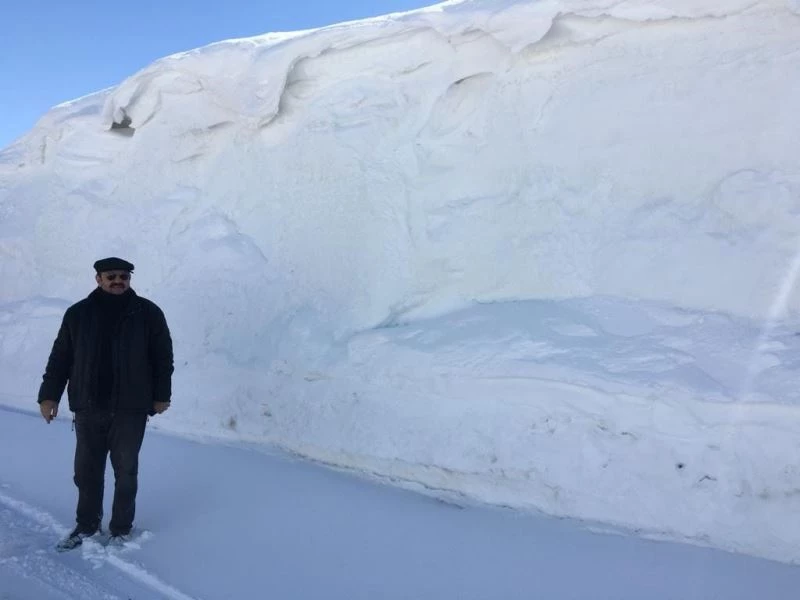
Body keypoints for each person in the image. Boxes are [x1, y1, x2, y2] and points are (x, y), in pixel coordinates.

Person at [38, 257, 174, 551]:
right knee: (86, 471)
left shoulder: (148, 314)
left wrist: (161, 394)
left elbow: (162, 357)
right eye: (110, 276)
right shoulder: (78, 314)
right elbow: (61, 357)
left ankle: (121, 528)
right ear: (98, 279)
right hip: (88, 406)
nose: (118, 281)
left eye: (123, 276)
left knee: (125, 471)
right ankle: (86, 525)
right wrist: (49, 395)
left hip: (131, 407)